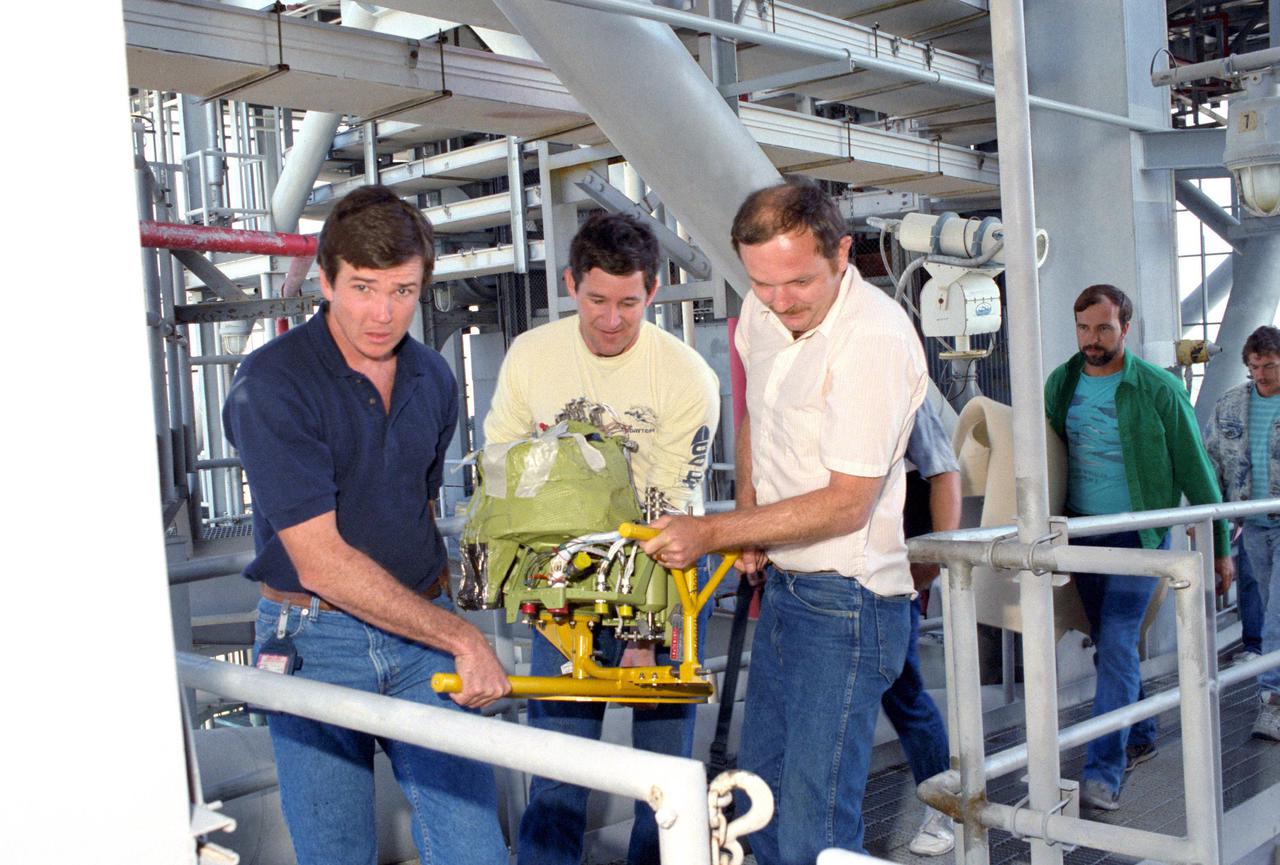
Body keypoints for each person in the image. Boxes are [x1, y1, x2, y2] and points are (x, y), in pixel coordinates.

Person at [637, 178, 927, 863]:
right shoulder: (762, 313)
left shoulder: (874, 339)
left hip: (849, 602)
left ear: (843, 254)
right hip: (787, 590)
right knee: (756, 803)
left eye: (799, 282)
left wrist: (713, 533)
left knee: (812, 830)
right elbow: (757, 418)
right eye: (762, 283)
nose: (780, 300)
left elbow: (847, 502)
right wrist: (750, 517)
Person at [223, 185, 510, 865]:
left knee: (476, 850)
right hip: (315, 640)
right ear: (325, 282)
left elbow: (415, 506)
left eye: (402, 290)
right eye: (362, 287)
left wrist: (445, 614)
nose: (383, 313)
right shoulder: (271, 383)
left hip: (421, 631)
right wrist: (461, 636)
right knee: (336, 853)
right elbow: (319, 559)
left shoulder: (434, 376)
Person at [483, 212, 720, 865]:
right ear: (570, 284)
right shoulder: (532, 355)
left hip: (663, 569)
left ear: (652, 291)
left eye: (628, 303)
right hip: (563, 570)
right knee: (559, 758)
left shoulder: (685, 376)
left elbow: (669, 506)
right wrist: (530, 579)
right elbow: (501, 468)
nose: (611, 320)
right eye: (596, 300)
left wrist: (645, 633)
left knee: (664, 771)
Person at [1044, 283, 1233, 811]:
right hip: (1081, 533)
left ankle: (1102, 773)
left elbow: (1197, 473)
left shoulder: (1158, 389)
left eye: (1104, 328)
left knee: (1119, 641)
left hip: (1139, 536)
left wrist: (1220, 547)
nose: (1092, 339)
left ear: (1125, 327)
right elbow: (1049, 456)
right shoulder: (1061, 383)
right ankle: (1143, 732)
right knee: (1109, 642)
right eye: (1084, 328)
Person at [889, 396, 962, 857]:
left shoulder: (903, 388)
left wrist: (932, 563)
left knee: (904, 694)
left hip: (892, 577)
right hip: (830, 576)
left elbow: (945, 471)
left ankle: (942, 807)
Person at [1205, 324, 1280, 742]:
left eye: (1270, 366)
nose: (1262, 375)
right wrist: (1209, 518)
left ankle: (1272, 702)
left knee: (1277, 616)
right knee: (1271, 609)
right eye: (1255, 366)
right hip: (1253, 526)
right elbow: (1211, 460)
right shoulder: (1231, 404)